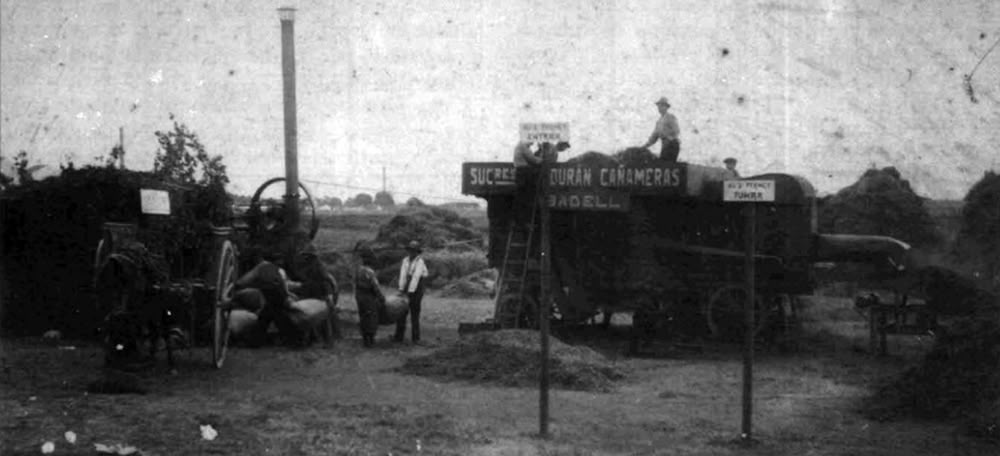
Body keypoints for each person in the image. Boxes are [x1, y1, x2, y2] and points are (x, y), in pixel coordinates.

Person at [396, 240, 429, 343]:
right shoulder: (405, 260)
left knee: (414, 313)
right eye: (410, 250)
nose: (411, 252)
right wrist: (401, 289)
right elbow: (402, 275)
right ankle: (398, 337)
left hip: (417, 288)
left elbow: (416, 277)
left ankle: (415, 338)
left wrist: (410, 292)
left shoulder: (420, 262)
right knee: (401, 312)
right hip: (407, 287)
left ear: (417, 252)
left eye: (413, 251)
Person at [353, 246, 385, 348]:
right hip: (368, 296)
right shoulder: (370, 272)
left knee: (363, 316)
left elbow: (355, 283)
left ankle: (365, 338)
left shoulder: (358, 270)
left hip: (359, 296)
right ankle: (370, 339)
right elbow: (375, 286)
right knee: (371, 317)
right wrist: (381, 297)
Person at [640, 97, 681, 162]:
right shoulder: (658, 122)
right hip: (665, 145)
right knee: (662, 163)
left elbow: (676, 131)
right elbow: (654, 137)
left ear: (666, 107)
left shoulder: (671, 117)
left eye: (662, 106)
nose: (660, 108)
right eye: (659, 106)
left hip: (672, 145)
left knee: (668, 165)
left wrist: (669, 138)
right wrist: (644, 147)